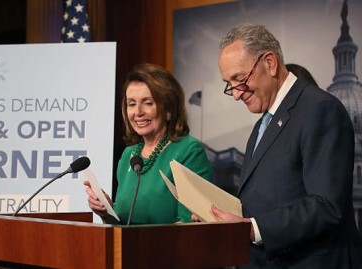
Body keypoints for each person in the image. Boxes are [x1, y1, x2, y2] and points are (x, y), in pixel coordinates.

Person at [195, 23, 362, 268]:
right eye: (228, 84)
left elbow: (326, 206)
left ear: (270, 63)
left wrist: (253, 229)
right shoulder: (263, 123)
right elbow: (265, 196)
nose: (236, 94)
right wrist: (218, 216)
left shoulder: (320, 109)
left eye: (239, 79)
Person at [84, 63, 213, 225]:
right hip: (127, 249)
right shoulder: (128, 156)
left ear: (168, 109)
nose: (138, 112)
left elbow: (189, 224)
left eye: (148, 102)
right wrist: (107, 211)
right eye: (131, 103)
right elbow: (124, 223)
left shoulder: (188, 151)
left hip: (170, 249)